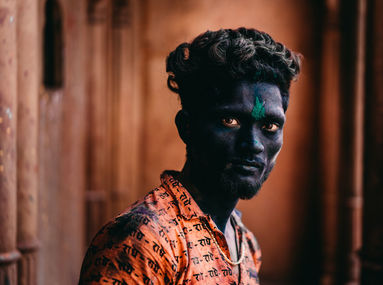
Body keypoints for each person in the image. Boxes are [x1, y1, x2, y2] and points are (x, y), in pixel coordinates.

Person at [79, 27, 301, 285]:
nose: (253, 145)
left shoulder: (245, 243)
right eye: (230, 120)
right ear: (187, 127)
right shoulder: (141, 240)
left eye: (270, 127)